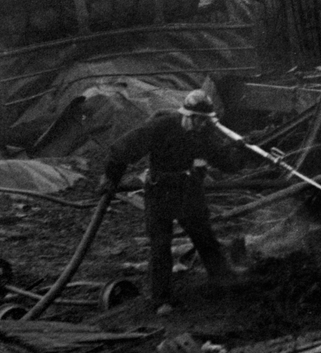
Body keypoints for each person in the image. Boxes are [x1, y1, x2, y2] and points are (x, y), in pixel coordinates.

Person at [100, 90, 243, 314]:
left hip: (189, 191)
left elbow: (225, 162)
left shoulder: (204, 133)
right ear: (187, 115)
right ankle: (161, 299)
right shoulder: (161, 127)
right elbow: (122, 150)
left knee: (205, 238)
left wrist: (240, 151)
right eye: (198, 119)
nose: (202, 125)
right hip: (160, 193)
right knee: (160, 245)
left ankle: (223, 283)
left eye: (205, 120)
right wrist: (111, 178)